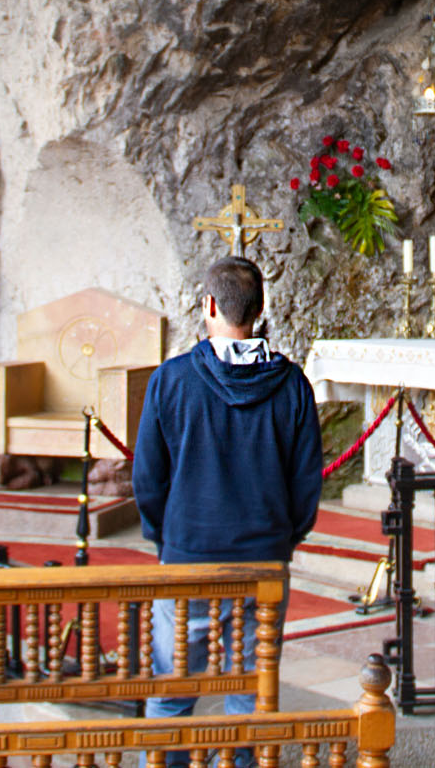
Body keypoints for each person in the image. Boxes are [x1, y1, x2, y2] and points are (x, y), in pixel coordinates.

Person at [132, 256, 323, 754]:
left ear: (209, 305)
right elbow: (306, 484)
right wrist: (283, 538)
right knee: (250, 692)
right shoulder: (293, 386)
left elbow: (148, 479)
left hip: (188, 554)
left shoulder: (170, 381)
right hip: (262, 557)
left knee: (172, 690)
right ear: (259, 311)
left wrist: (165, 537)